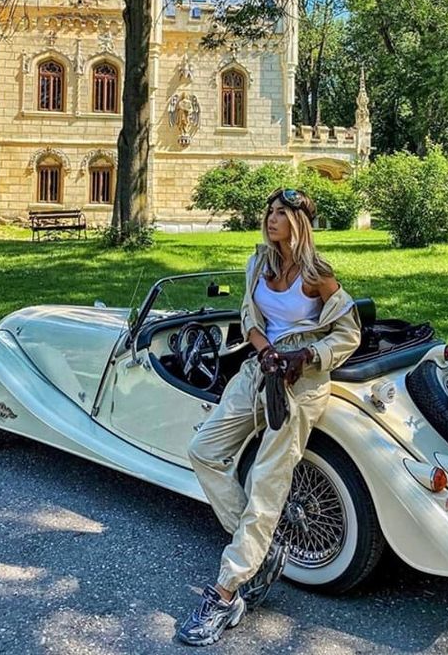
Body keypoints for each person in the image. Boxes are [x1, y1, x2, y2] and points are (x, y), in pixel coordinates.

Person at [178, 188, 361, 646]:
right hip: (259, 370)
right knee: (203, 451)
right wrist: (265, 352)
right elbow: (250, 317)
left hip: (299, 385)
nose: (272, 218)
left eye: (282, 213)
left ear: (299, 223)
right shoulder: (258, 263)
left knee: (267, 480)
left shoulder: (318, 275)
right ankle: (263, 547)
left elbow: (350, 332)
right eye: (270, 212)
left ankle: (225, 592)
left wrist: (309, 356)